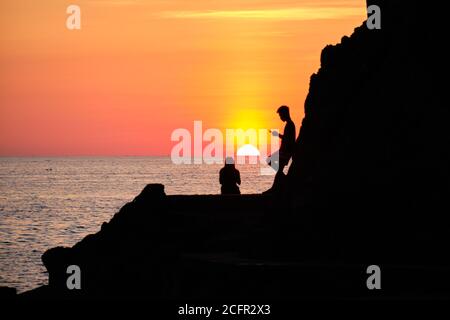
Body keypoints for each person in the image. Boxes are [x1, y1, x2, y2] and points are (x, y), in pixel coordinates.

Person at [265, 105, 296, 193]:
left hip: (285, 151)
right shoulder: (289, 124)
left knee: (271, 162)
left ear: (285, 114)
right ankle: (281, 183)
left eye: (281, 115)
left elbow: (290, 139)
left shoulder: (290, 125)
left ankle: (277, 187)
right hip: (284, 151)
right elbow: (287, 137)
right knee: (276, 168)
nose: (280, 117)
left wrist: (288, 152)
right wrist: (277, 134)